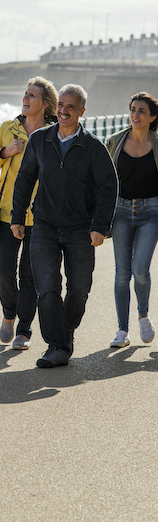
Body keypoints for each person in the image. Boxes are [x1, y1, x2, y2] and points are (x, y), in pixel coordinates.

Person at [11, 84, 118, 368]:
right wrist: (18, 216)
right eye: (61, 104)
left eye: (71, 106)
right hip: (44, 226)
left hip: (80, 228)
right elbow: (25, 178)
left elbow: (108, 186)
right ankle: (57, 345)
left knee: (79, 290)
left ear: (82, 111)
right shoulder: (40, 140)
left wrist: (100, 226)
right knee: (47, 289)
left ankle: (65, 333)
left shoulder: (93, 147)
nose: (64, 110)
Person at [0, 77, 58, 351]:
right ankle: (8, 314)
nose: (26, 98)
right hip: (6, 212)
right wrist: (6, 151)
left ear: (45, 104)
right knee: (4, 270)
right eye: (25, 93)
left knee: (29, 274)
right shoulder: (8, 128)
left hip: (41, 215)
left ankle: (24, 329)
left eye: (32, 95)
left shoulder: (54, 134)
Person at [106, 92, 158, 348]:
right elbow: (103, 179)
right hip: (121, 212)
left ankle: (143, 315)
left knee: (140, 270)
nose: (135, 115)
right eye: (133, 110)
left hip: (151, 212)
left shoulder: (157, 145)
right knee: (121, 273)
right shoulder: (115, 142)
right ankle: (122, 330)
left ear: (152, 117)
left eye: (141, 111)